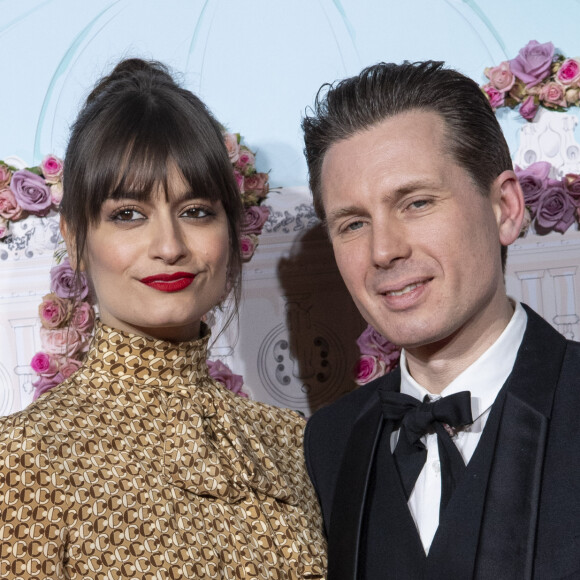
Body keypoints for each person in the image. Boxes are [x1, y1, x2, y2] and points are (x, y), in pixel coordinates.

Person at [0, 58, 326, 579]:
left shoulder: (289, 441)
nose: (170, 246)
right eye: (128, 214)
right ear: (74, 238)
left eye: (197, 210)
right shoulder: (22, 462)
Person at [301, 60, 580, 579]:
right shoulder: (328, 442)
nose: (383, 251)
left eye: (417, 202)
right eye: (354, 222)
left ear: (504, 207)